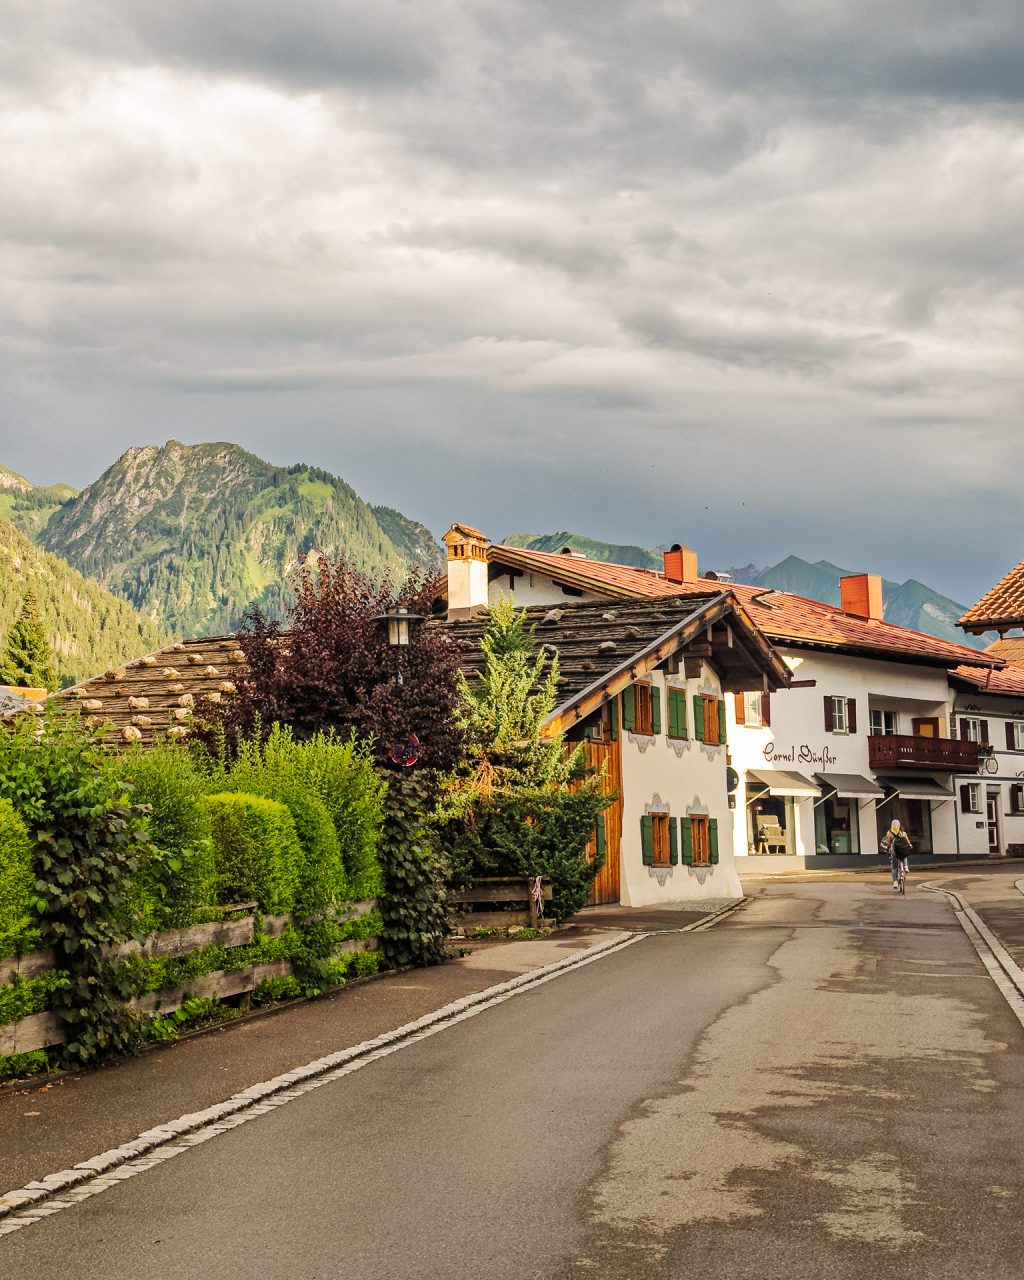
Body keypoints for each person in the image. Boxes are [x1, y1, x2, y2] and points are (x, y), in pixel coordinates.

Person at [880, 819, 912, 889]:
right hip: (902, 851)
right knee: (904, 854)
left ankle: (895, 882)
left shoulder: (889, 833)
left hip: (894, 851)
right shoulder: (903, 833)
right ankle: (906, 867)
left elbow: (888, 844)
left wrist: (887, 849)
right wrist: (910, 845)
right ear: (899, 825)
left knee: (894, 867)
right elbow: (907, 842)